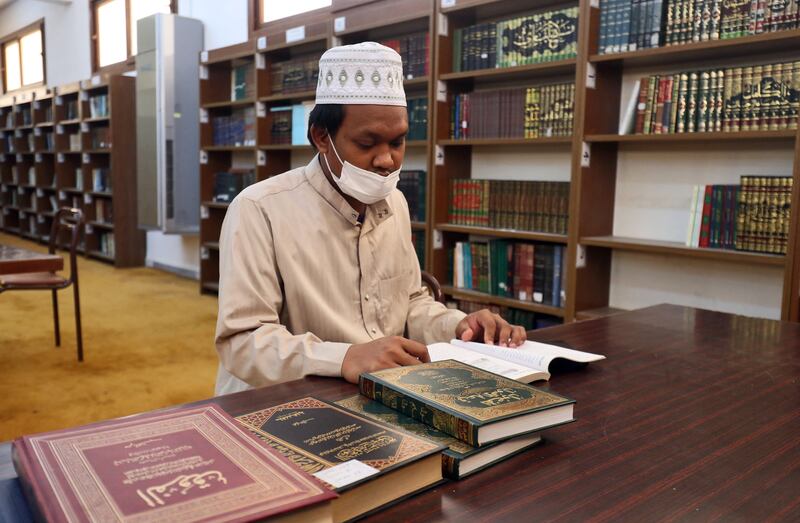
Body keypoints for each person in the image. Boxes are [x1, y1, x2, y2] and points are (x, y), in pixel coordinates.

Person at [214, 42, 527, 395]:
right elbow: (243, 342)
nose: (387, 160)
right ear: (321, 137)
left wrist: (460, 326)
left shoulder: (395, 202)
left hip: (379, 392)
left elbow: (410, 303)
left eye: (398, 142)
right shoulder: (259, 209)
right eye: (367, 143)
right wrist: (344, 358)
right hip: (282, 401)